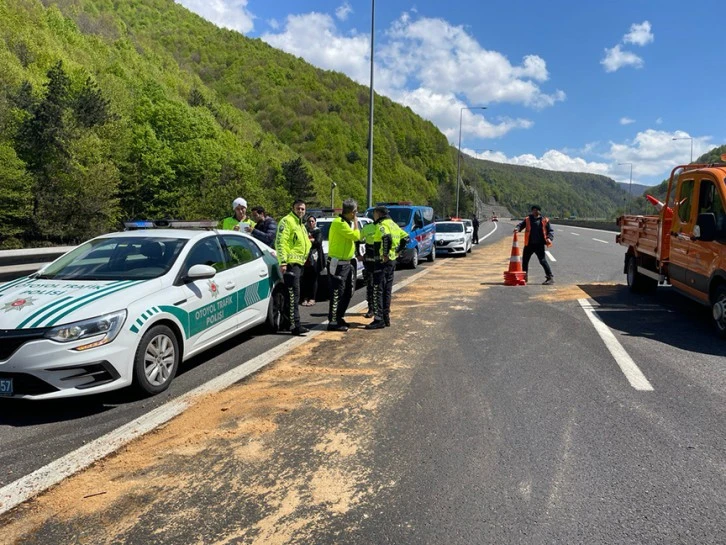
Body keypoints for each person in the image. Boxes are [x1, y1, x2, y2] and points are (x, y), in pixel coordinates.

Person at [365, 206, 410, 329]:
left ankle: (378, 319)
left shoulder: (382, 225)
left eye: (374, 213)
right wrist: (398, 251)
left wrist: (385, 254)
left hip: (381, 261)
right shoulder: (394, 225)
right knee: (387, 290)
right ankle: (386, 318)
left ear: (378, 213)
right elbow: (406, 238)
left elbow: (386, 238)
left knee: (377, 289)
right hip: (392, 261)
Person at [275, 200, 312, 335]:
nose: (301, 211)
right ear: (293, 208)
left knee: (293, 295)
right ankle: (295, 325)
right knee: (293, 295)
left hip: (299, 264)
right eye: (298, 208)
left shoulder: (301, 224)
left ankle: (287, 323)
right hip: (291, 264)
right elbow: (280, 241)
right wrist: (283, 262)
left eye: (303, 209)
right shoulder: (287, 221)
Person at [326, 199, 361, 332]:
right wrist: (356, 224)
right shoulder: (339, 223)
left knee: (347, 293)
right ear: (352, 212)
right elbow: (355, 236)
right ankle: (333, 321)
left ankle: (339, 317)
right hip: (337, 264)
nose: (356, 215)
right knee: (337, 293)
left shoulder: (346, 223)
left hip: (346, 263)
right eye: (355, 212)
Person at [514, 205, 555, 285]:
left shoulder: (544, 220)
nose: (534, 212)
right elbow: (521, 225)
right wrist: (517, 228)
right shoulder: (528, 219)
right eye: (533, 210)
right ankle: (524, 277)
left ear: (539, 211)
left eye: (536, 210)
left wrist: (549, 238)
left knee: (542, 261)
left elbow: (550, 230)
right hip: (529, 244)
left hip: (539, 245)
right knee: (525, 261)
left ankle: (550, 277)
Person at [300, 215, 324, 307]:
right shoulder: (304, 230)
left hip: (315, 258)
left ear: (315, 222)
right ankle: (305, 297)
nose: (310, 223)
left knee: (313, 279)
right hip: (305, 258)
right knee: (305, 279)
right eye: (309, 221)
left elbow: (318, 242)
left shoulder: (318, 231)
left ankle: (313, 298)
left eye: (312, 221)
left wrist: (310, 239)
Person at [360, 220, 378, 318]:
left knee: (380, 285)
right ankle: (371, 308)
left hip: (380, 262)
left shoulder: (384, 227)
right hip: (369, 261)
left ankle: (381, 307)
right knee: (370, 285)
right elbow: (357, 239)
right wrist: (358, 254)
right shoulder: (367, 228)